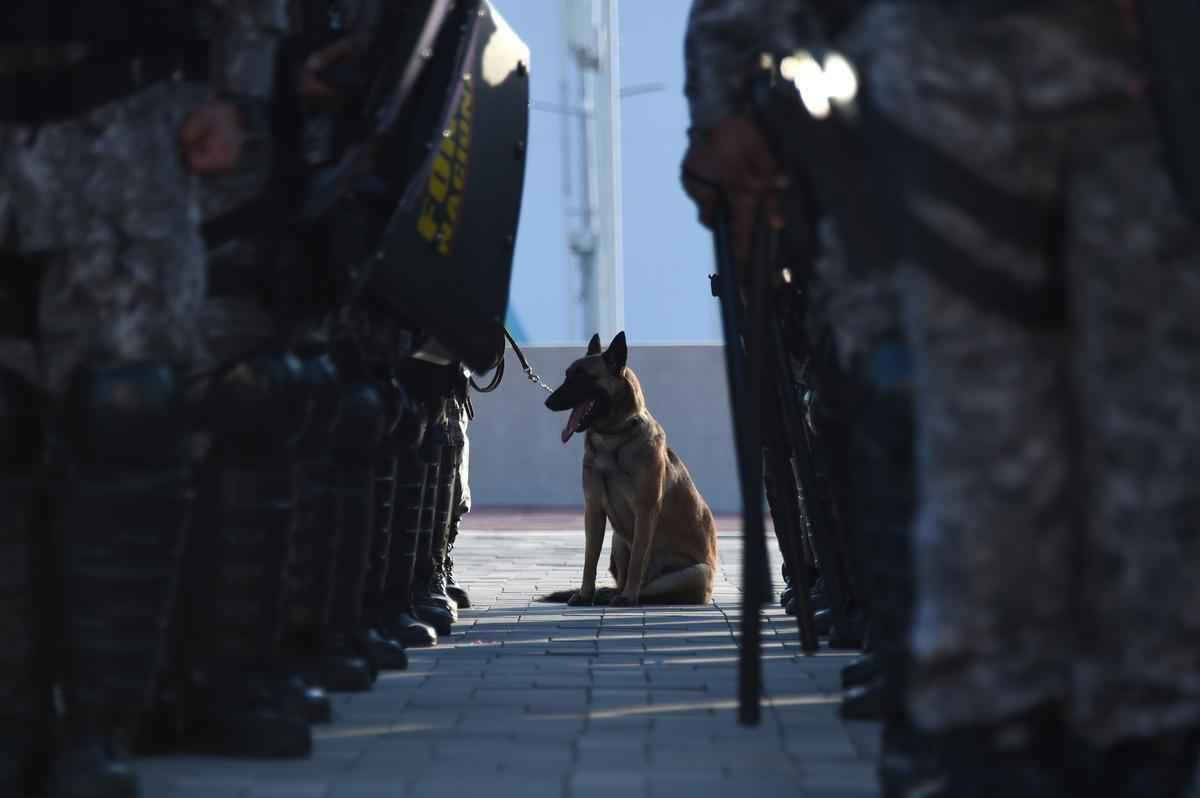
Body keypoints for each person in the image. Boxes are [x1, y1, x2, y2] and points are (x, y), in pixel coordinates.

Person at [840, 2, 1200, 794]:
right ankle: (985, 730)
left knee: (1150, 452)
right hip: (956, 105)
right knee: (982, 450)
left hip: (1147, 101)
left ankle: (1140, 731)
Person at [0, 1, 267, 793]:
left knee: (126, 422)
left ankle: (98, 724)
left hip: (126, 134)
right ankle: (12, 726)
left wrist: (239, 93)